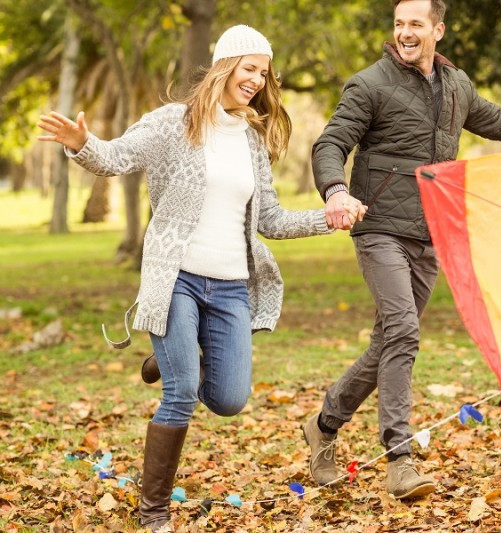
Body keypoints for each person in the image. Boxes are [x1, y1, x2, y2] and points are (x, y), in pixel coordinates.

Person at [37, 25, 353, 533]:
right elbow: (115, 158)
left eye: (263, 73)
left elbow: (268, 219)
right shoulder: (171, 124)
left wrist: (328, 217)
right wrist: (82, 143)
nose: (255, 80)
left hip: (230, 288)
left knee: (229, 400)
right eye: (249, 68)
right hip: (176, 279)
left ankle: (167, 355)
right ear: (224, 64)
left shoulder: (251, 142)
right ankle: (153, 510)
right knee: (183, 391)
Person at [303, 0, 501, 500]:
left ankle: (324, 424)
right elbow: (329, 144)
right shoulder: (369, 84)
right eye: (399, 24)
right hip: (378, 229)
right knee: (403, 331)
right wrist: (335, 191)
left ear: (438, 29)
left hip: (429, 232)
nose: (406, 32)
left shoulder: (456, 86)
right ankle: (399, 459)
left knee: (389, 341)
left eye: (416, 24)